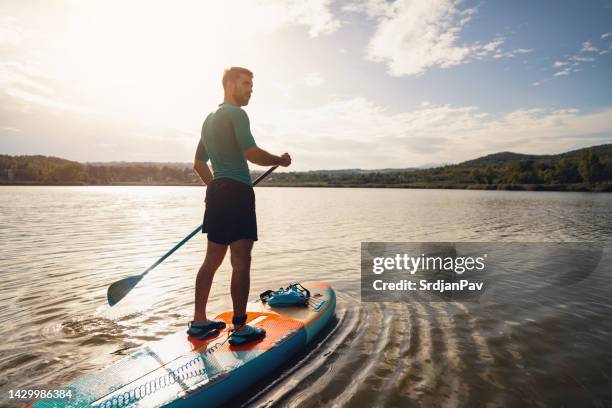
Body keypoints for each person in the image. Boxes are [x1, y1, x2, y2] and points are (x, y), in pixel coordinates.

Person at [190, 67, 291, 345]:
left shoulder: (209, 120)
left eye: (251, 85)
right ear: (231, 83)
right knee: (241, 261)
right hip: (237, 193)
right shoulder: (237, 114)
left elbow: (198, 163)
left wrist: (212, 187)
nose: (250, 90)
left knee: (211, 260)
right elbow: (251, 153)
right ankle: (239, 327)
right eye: (246, 84)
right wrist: (279, 160)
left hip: (218, 192)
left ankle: (199, 321)